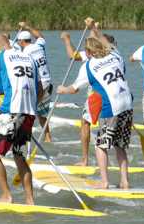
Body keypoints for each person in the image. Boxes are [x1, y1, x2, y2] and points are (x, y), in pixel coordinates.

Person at [57, 23, 134, 189]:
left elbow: (74, 89)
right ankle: (125, 181)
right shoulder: (115, 54)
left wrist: (62, 89)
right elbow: (104, 41)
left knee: (101, 145)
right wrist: (95, 28)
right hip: (128, 105)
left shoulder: (88, 66)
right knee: (120, 146)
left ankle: (104, 182)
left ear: (88, 52)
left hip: (111, 108)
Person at [0, 33, 41, 204]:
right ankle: (30, 200)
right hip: (29, 113)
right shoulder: (29, 57)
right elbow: (40, 89)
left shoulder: (0, 56)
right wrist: (29, 109)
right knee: (19, 155)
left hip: (10, 111)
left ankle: (6, 195)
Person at [61, 24, 120, 166]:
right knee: (107, 127)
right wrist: (93, 28)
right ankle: (113, 158)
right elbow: (83, 47)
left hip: (96, 96)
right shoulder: (114, 55)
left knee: (85, 123)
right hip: (117, 96)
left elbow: (73, 56)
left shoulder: (91, 56)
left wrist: (67, 39)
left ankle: (85, 159)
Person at [15, 22, 53, 141]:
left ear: (22, 41)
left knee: (28, 111)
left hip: (39, 85)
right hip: (48, 82)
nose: (18, 44)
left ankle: (25, 138)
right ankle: (48, 138)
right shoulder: (39, 46)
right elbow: (40, 36)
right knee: (41, 114)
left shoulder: (25, 53)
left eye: (18, 42)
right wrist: (27, 26)